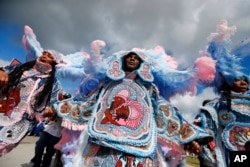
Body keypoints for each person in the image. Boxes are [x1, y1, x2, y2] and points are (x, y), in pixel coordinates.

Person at [53, 49, 213, 167]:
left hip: (141, 146)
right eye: (128, 56)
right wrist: (58, 109)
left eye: (135, 58)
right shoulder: (108, 85)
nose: (131, 58)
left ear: (142, 63)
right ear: (120, 61)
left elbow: (165, 112)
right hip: (102, 142)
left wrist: (187, 137)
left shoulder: (149, 89)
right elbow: (89, 103)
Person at [193, 19, 250, 167]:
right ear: (226, 81)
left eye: (246, 80)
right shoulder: (214, 107)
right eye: (238, 80)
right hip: (229, 155)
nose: (244, 83)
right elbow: (205, 129)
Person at [0, 50, 63, 156]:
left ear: (55, 62)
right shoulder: (21, 69)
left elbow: (55, 102)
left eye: (49, 56)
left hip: (23, 122)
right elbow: (4, 70)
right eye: (44, 53)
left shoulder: (54, 82)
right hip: (3, 109)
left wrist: (51, 109)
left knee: (3, 146)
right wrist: (1, 72)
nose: (44, 56)